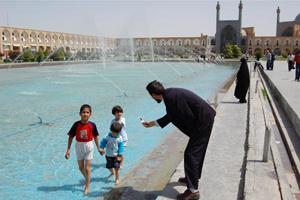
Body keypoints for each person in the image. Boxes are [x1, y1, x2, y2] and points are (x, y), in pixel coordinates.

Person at [142, 81, 216, 200]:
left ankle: (193, 191)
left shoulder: (170, 97)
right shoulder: (170, 94)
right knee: (195, 152)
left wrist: (194, 133)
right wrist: (152, 123)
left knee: (191, 153)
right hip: (204, 118)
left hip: (202, 121)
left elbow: (186, 115)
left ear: (153, 95)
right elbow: (172, 115)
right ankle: (191, 178)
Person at [65, 104, 100, 195]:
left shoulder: (92, 125)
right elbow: (71, 136)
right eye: (84, 112)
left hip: (89, 145)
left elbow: (96, 136)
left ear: (90, 114)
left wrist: (99, 148)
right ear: (80, 113)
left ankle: (87, 187)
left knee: (87, 168)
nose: (85, 114)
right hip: (79, 146)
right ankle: (87, 179)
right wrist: (68, 149)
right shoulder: (76, 124)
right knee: (81, 167)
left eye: (87, 112)